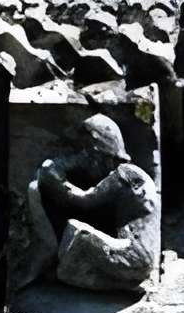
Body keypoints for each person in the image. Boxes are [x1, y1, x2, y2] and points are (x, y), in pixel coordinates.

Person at [16, 111, 158, 295]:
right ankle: (120, 283)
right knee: (69, 270)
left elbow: (83, 201)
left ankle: (122, 285)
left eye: (87, 151)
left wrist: (56, 174)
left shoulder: (123, 176)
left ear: (99, 151)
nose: (84, 156)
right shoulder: (134, 174)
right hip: (141, 257)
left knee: (77, 233)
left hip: (134, 255)